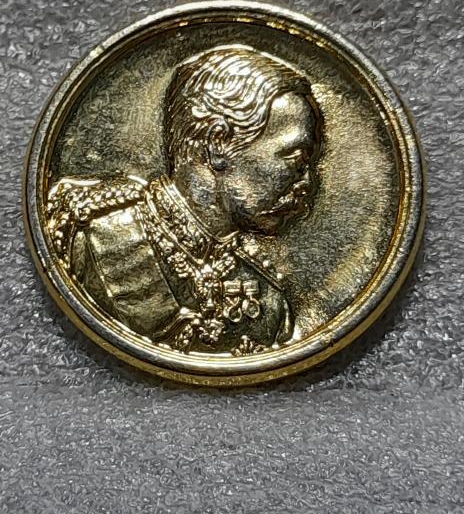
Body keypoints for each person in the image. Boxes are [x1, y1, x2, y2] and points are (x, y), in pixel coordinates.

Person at [48, 44, 322, 356]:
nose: (306, 183)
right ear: (217, 143)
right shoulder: (84, 236)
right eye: (295, 158)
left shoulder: (271, 306)